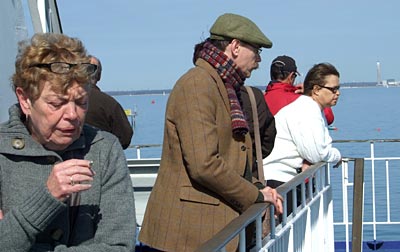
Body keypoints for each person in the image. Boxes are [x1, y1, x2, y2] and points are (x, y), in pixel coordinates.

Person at [139, 13, 283, 252]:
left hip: (210, 228)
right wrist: (254, 195)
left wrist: (258, 187)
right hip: (187, 234)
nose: (258, 60)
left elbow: (234, 155)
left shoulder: (223, 85)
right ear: (235, 46)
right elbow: (204, 164)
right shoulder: (198, 84)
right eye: (256, 51)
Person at [0, 33, 136, 251]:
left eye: (81, 102)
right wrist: (47, 197)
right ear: (25, 100)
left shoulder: (104, 150)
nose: (73, 114)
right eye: (57, 103)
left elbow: (119, 246)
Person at [263, 62, 342, 214]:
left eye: (338, 88)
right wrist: (336, 155)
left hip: (285, 178)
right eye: (333, 89)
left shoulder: (310, 108)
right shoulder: (307, 111)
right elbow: (317, 153)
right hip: (280, 181)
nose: (337, 93)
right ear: (316, 89)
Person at [264, 55, 335, 125]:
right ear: (291, 76)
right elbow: (328, 118)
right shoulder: (299, 100)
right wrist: (311, 93)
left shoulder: (260, 99)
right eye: (295, 76)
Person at [85, 56, 133, 149]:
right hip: (102, 157)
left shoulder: (63, 99)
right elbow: (125, 138)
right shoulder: (109, 103)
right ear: (99, 76)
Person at [240, 86, 276, 178]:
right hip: (249, 175)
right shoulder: (253, 95)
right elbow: (268, 136)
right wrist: (252, 155)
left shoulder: (205, 93)